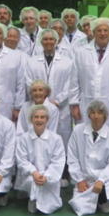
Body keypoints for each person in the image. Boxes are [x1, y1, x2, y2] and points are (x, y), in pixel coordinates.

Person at [71, 17, 109, 131]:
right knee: (86, 137)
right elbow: (74, 81)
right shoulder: (80, 53)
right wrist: (74, 104)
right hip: (86, 104)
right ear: (93, 32)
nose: (103, 33)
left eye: (106, 30)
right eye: (99, 31)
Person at [67, 100, 109, 215]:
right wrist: (79, 179)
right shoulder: (78, 131)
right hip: (84, 180)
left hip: (105, 180)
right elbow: (72, 158)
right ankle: (99, 199)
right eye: (93, 112)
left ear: (105, 116)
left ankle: (103, 199)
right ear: (88, 115)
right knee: (80, 206)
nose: (96, 116)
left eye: (100, 113)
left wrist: (101, 180)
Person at [24, 29, 73, 158]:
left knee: (61, 136)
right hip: (37, 105)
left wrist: (57, 101)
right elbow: (29, 82)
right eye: (45, 39)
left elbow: (70, 84)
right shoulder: (32, 61)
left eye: (51, 39)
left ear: (56, 41)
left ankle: (62, 166)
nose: (48, 42)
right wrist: (40, 100)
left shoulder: (67, 62)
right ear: (41, 41)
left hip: (61, 106)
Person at [16, 104, 66, 214]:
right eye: (36, 117)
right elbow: (22, 160)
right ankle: (33, 199)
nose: (39, 120)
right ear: (31, 119)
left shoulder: (57, 139)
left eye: (42, 117)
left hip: (50, 178)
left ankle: (36, 198)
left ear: (47, 119)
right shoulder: (24, 139)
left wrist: (46, 177)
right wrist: (34, 172)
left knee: (52, 201)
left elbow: (58, 161)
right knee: (34, 183)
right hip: (30, 177)